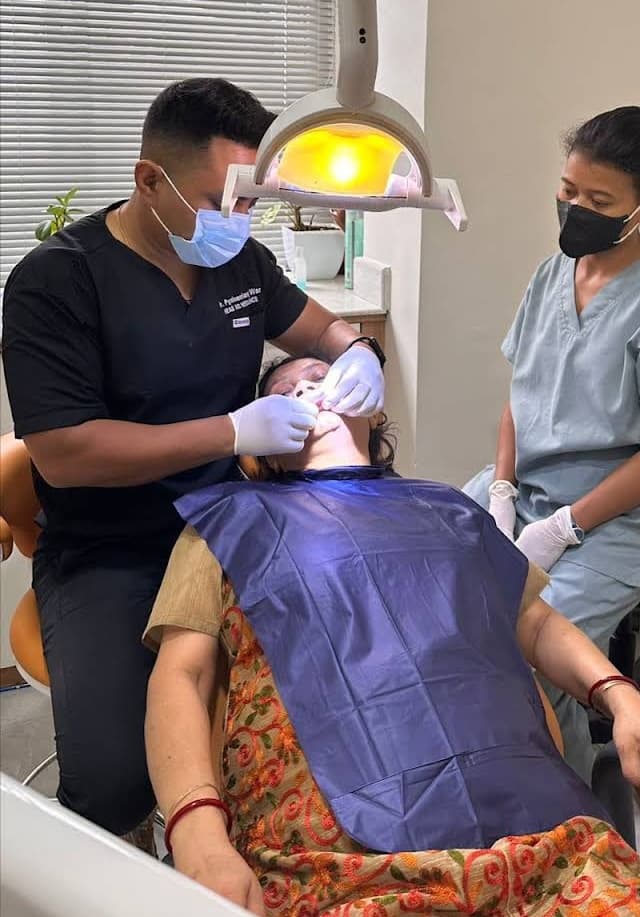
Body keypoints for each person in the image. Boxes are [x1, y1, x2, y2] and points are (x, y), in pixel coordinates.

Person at [1, 78, 385, 838]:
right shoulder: (55, 281)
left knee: (330, 716)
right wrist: (230, 434)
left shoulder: (240, 264)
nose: (240, 222)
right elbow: (66, 453)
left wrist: (358, 350)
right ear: (151, 180)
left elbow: (320, 330)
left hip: (233, 531)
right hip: (111, 550)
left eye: (253, 203)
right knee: (115, 780)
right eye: (223, 201)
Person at [144, 356, 640, 917]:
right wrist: (197, 834)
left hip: (543, 846)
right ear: (258, 449)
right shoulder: (226, 522)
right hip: (338, 864)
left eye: (322, 376)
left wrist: (620, 697)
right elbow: (183, 675)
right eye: (289, 392)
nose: (311, 390)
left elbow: (537, 623)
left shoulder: (452, 510)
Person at [464, 106, 640, 784]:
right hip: (523, 488)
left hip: (613, 518)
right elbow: (521, 392)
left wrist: (567, 524)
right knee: (438, 592)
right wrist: (502, 490)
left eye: (599, 201)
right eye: (569, 192)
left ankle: (558, 808)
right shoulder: (548, 276)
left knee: (539, 652)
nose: (575, 209)